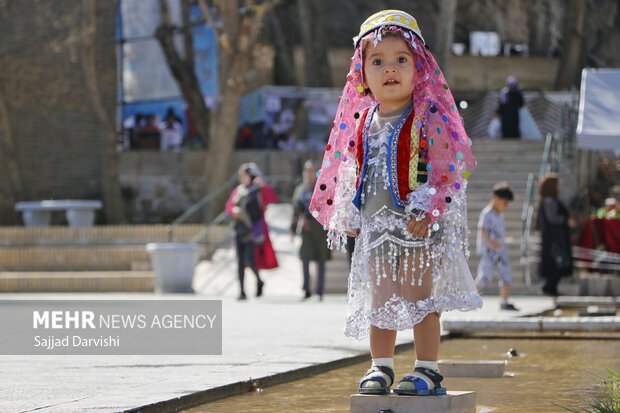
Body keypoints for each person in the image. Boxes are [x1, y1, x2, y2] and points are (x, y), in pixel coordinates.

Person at [309, 10, 482, 396]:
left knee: (419, 296)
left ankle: (427, 368)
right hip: (377, 227)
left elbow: (451, 168)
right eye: (378, 61)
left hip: (417, 227)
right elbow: (352, 168)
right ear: (362, 75)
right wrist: (348, 209)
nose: (390, 69)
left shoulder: (427, 114)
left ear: (418, 67)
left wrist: (431, 207)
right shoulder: (362, 119)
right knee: (381, 296)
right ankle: (381, 366)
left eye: (401, 59)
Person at [225, 163, 279, 300]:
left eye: (244, 175)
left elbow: (272, 198)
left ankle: (259, 281)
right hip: (238, 229)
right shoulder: (238, 190)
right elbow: (229, 206)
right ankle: (242, 291)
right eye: (240, 175)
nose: (241, 178)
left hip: (253, 230)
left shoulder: (258, 190)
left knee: (250, 258)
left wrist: (263, 185)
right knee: (240, 262)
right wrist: (233, 211)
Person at [475, 182, 519, 311]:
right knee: (484, 276)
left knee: (506, 274)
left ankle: (504, 301)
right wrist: (490, 241)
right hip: (489, 252)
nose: (506, 206)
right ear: (496, 198)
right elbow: (482, 230)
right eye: (505, 202)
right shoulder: (487, 213)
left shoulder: (499, 214)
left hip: (500, 251)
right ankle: (470, 299)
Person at [291, 160, 330, 301]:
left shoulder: (321, 187)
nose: (309, 173)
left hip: (319, 226)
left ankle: (319, 291)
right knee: (305, 258)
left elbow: (327, 206)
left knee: (321, 259)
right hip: (306, 227)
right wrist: (293, 228)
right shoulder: (300, 189)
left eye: (312, 170)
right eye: (307, 170)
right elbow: (296, 210)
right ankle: (306, 289)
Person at [537, 173, 573, 296]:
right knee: (556, 263)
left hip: (554, 238)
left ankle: (550, 287)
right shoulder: (549, 201)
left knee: (557, 263)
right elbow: (553, 218)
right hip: (553, 239)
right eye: (556, 184)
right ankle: (549, 288)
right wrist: (565, 220)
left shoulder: (550, 200)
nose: (558, 187)